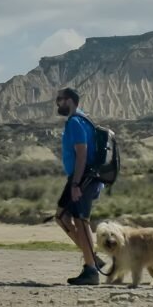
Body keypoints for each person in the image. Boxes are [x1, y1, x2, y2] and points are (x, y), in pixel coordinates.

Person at [53, 87, 104, 285]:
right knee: (63, 216)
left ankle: (91, 270)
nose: (57, 103)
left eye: (59, 99)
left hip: (81, 178)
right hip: (82, 177)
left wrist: (76, 183)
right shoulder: (83, 119)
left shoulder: (75, 122)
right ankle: (92, 258)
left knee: (80, 220)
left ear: (70, 100)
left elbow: (82, 154)